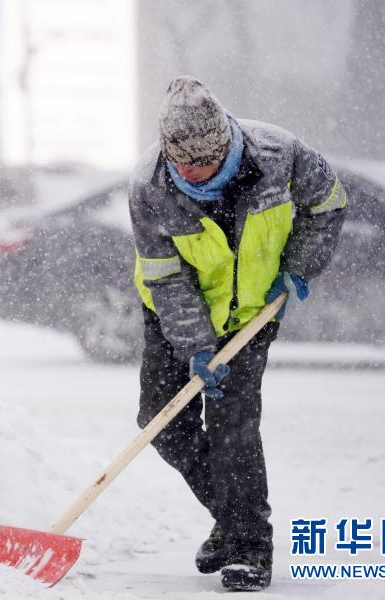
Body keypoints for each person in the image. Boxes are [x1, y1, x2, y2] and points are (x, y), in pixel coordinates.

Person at [128, 76, 346, 591]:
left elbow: (329, 201)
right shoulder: (150, 186)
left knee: (233, 427)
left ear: (225, 140)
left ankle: (249, 546)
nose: (195, 172)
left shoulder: (280, 152)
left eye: (204, 162)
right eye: (184, 164)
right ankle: (232, 520)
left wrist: (299, 266)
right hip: (171, 311)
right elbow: (165, 274)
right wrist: (197, 347)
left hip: (252, 312)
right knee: (161, 421)